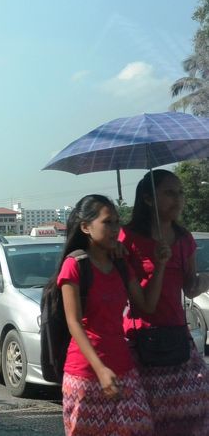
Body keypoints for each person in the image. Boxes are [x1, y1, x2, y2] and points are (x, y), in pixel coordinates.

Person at [56, 194, 170, 436]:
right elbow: (74, 323)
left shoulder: (119, 263)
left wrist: (160, 265)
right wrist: (100, 369)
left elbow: (147, 306)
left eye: (117, 222)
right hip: (85, 373)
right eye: (108, 222)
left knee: (140, 428)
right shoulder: (75, 265)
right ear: (86, 227)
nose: (115, 229)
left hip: (123, 368)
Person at [120, 170, 209, 435]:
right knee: (146, 418)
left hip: (177, 337)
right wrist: (158, 264)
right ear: (147, 199)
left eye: (180, 192)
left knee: (194, 409)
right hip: (139, 340)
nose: (178, 199)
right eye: (169, 193)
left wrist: (205, 279)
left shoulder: (184, 239)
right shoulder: (127, 238)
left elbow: (190, 288)